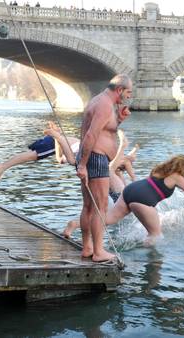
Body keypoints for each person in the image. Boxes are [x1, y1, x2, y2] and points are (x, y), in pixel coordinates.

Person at [76, 74, 133, 262]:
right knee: (100, 206)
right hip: (95, 158)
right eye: (128, 92)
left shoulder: (100, 101)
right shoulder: (104, 104)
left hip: (91, 157)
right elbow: (91, 135)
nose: (129, 96)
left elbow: (106, 129)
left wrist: (120, 119)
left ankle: (87, 248)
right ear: (119, 90)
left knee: (89, 206)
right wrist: (83, 165)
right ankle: (99, 252)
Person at [105, 155, 184, 243]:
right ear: (183, 167)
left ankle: (89, 236)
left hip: (129, 190)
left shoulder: (158, 170)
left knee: (107, 219)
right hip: (142, 200)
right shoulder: (176, 176)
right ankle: (152, 263)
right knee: (155, 236)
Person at [62, 127, 139, 239]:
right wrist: (123, 146)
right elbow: (114, 166)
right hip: (121, 197)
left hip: (119, 197)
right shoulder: (115, 170)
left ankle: (75, 225)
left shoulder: (116, 173)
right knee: (103, 219)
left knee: (101, 217)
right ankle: (74, 225)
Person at [0, 122, 79, 180]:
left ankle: (3, 166)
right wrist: (57, 137)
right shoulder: (78, 157)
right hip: (56, 143)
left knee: (30, 155)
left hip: (59, 140)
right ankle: (3, 166)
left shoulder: (83, 149)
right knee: (31, 156)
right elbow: (61, 159)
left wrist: (57, 135)